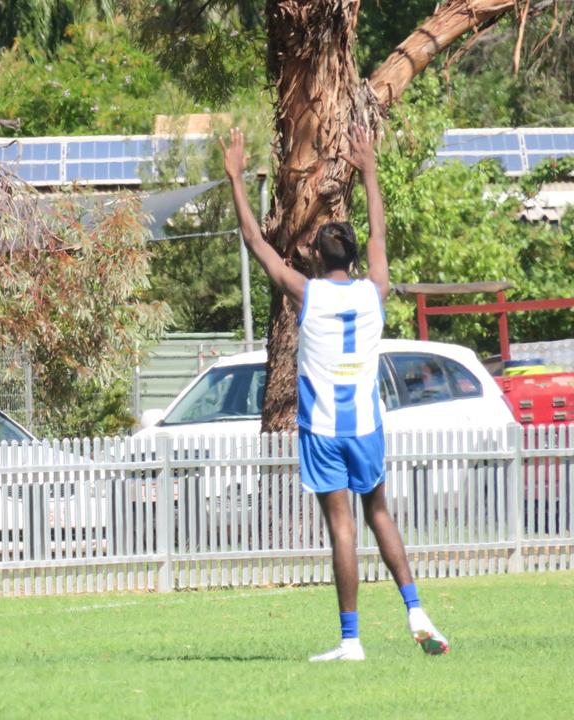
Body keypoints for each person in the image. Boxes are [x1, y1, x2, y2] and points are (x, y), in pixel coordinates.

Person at [221, 125, 449, 662]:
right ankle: (415, 608)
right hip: (366, 426)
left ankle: (351, 641)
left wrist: (234, 178)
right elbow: (379, 235)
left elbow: (256, 243)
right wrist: (369, 172)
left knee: (341, 527)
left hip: (324, 429)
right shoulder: (376, 291)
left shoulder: (308, 292)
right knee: (380, 515)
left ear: (317, 258)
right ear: (353, 258)